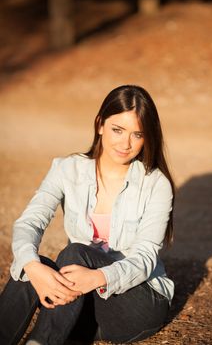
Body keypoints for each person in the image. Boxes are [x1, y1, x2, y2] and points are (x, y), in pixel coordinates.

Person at [0, 85, 175, 345]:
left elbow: (145, 258)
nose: (126, 144)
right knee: (31, 269)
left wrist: (99, 277)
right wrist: (32, 266)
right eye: (118, 130)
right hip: (87, 300)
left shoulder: (156, 184)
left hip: (136, 303)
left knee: (74, 253)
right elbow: (30, 221)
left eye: (137, 134)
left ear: (147, 137)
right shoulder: (66, 169)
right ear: (100, 124)